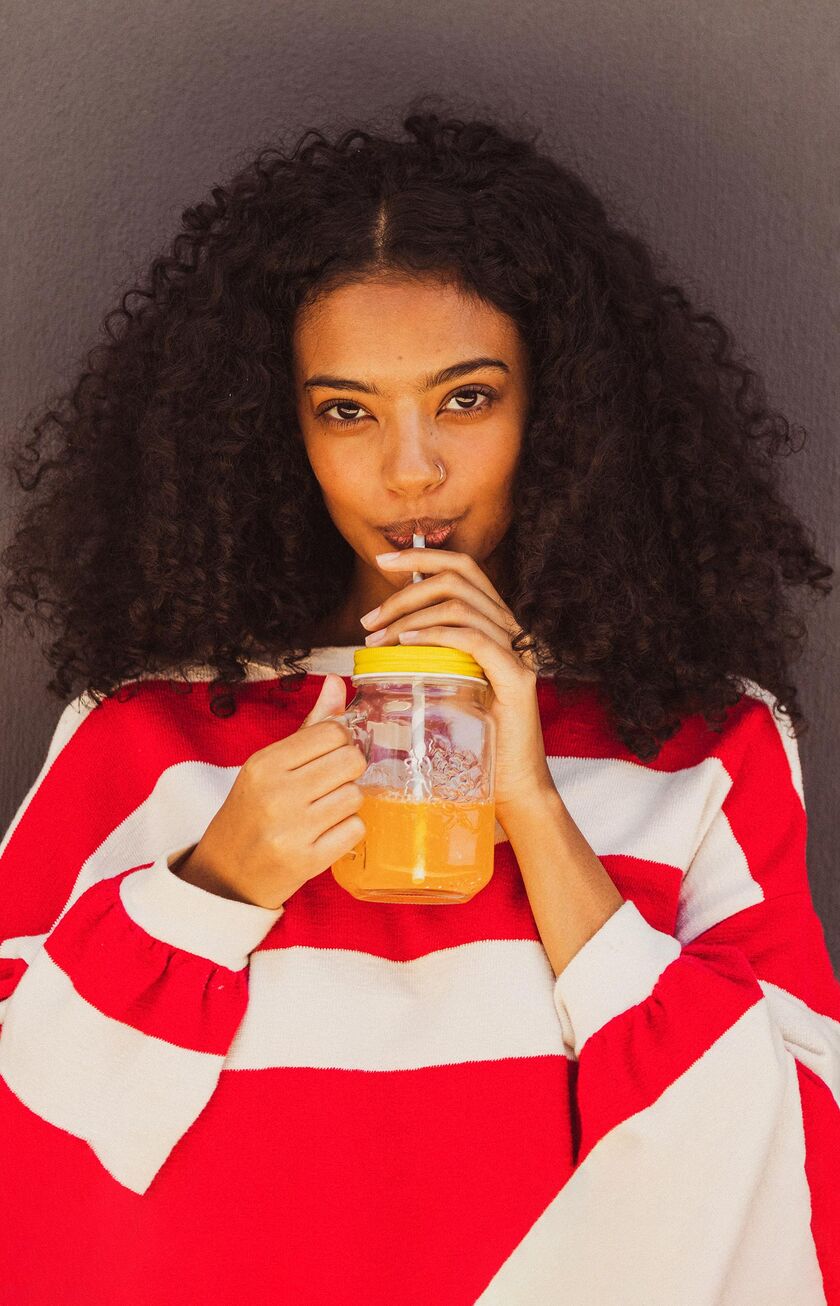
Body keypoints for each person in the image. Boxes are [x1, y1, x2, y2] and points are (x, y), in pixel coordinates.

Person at [0, 102, 838, 1305]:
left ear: (560, 410)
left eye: (466, 398)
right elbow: (27, 1136)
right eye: (347, 410)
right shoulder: (144, 733)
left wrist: (534, 803)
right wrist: (216, 881)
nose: (410, 471)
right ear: (274, 430)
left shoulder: (707, 744)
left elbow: (793, 1157)